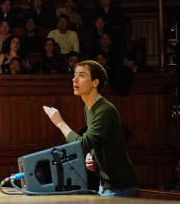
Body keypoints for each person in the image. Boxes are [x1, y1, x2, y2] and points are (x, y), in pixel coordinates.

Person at [45, 60, 138, 196]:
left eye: (81, 75)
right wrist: (91, 156)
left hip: (119, 185)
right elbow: (97, 142)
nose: (74, 79)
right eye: (75, 74)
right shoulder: (88, 108)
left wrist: (60, 124)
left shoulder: (104, 109)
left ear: (95, 82)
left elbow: (83, 144)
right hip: (106, 184)